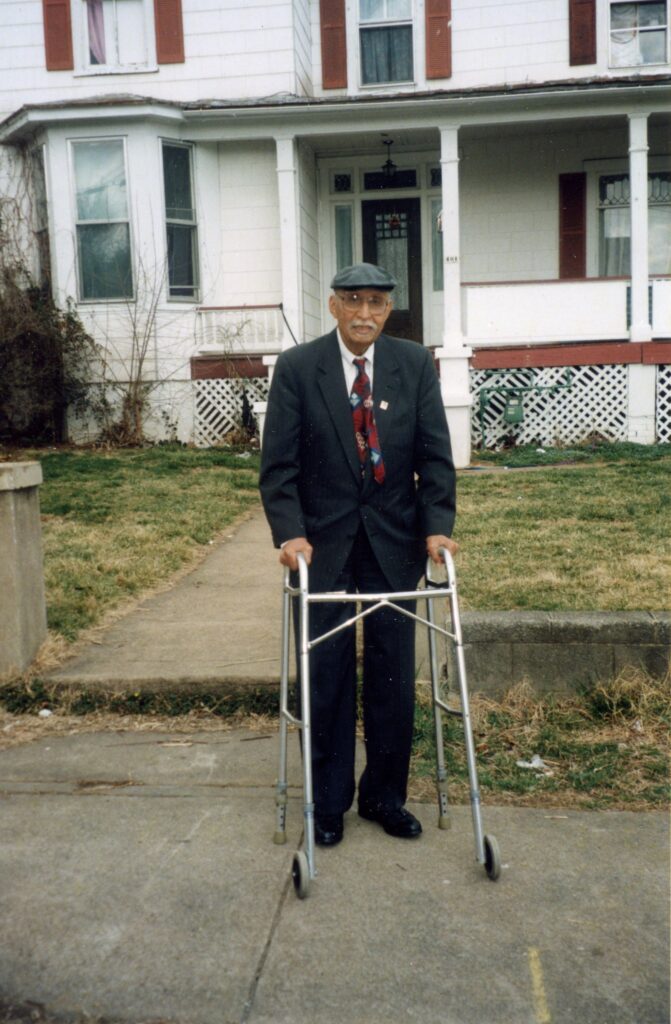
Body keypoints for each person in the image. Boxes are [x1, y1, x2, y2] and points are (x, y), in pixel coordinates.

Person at [259, 262, 457, 847]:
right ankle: (327, 802)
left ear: (387, 309)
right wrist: (289, 534)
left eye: (375, 302)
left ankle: (384, 797)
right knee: (327, 672)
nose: (364, 313)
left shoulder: (414, 365)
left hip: (394, 544)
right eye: (353, 301)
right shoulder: (299, 369)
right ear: (333, 305)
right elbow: (279, 468)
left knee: (394, 675)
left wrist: (437, 528)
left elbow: (436, 459)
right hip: (322, 545)